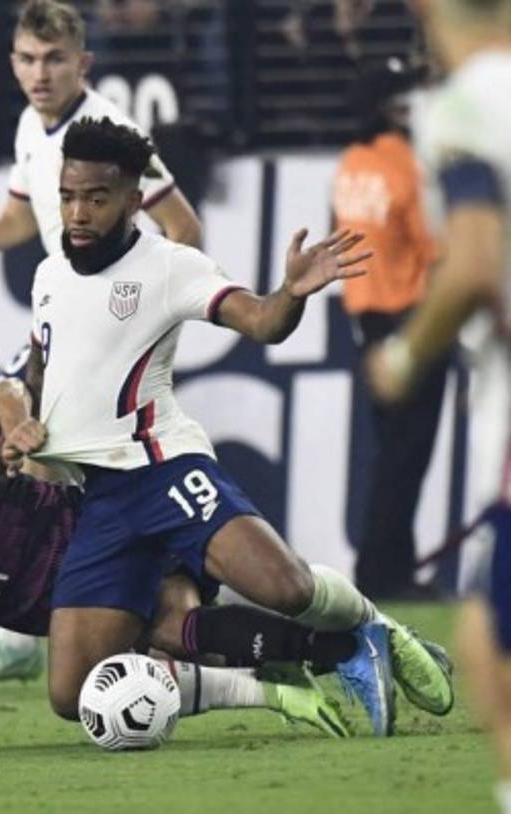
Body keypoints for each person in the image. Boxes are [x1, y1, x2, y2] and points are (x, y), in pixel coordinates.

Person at [18, 116, 453, 739]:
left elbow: (261, 321)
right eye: (67, 196)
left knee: (286, 586)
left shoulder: (169, 266)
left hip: (164, 472)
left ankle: (377, 627)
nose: (78, 212)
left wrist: (292, 293)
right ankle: (277, 685)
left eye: (96, 197)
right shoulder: (48, 275)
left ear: (134, 201)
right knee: (73, 692)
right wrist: (23, 422)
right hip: (101, 499)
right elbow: (42, 363)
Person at [0, 377, 452, 742]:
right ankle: (320, 667)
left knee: (192, 622)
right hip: (86, 613)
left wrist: (17, 425)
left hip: (106, 537)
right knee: (106, 684)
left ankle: (352, 645)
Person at [0, 0, 202, 689]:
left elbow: (184, 226)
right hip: (64, 327)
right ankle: (42, 625)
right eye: (27, 58)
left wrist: (142, 308)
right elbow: (21, 219)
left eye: (54, 59)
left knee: (62, 466)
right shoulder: (32, 126)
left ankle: (165, 610)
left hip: (112, 333)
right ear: (12, 63)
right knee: (38, 462)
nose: (40, 72)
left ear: (83, 62)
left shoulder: (112, 133)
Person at [365, 0, 511, 809]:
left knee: (490, 650)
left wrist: (404, 356)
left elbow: (475, 259)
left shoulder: (462, 107)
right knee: (487, 638)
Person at [332, 57, 443, 601]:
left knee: (389, 452)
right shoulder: (405, 164)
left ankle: (382, 565)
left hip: (366, 322)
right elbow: (437, 248)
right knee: (409, 454)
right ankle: (388, 573)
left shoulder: (351, 162)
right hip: (412, 320)